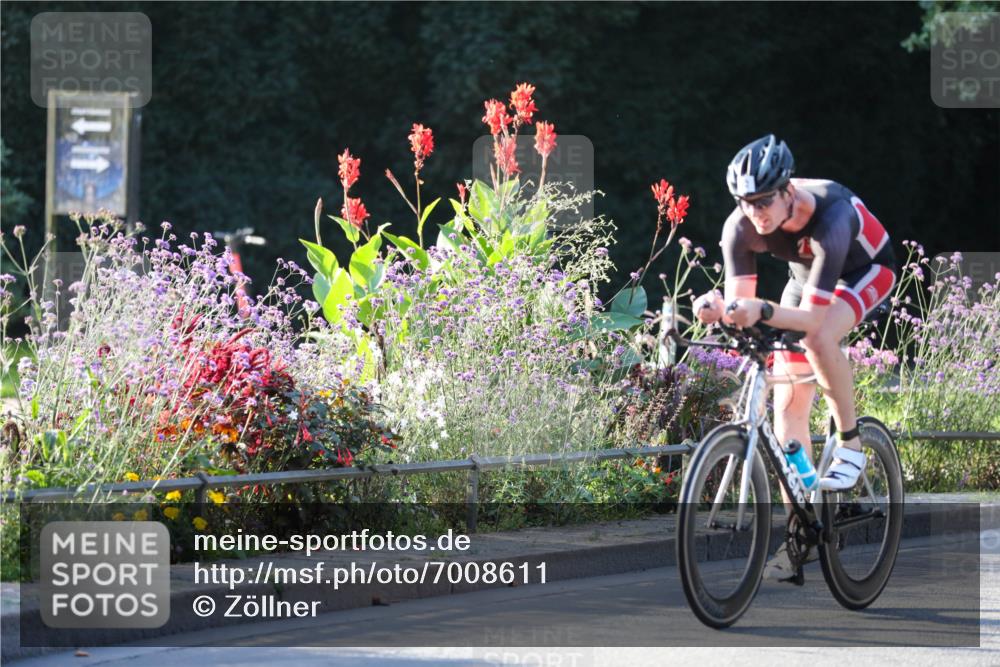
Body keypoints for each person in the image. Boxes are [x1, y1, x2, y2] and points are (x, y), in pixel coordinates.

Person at [693, 134, 896, 581]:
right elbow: (741, 305)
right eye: (745, 202)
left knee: (819, 338)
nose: (755, 212)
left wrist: (763, 310)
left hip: (867, 271)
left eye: (764, 200)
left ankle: (851, 443)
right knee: (789, 402)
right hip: (807, 281)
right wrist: (719, 307)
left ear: (788, 190)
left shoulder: (832, 214)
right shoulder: (740, 227)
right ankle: (801, 530)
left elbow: (809, 318)